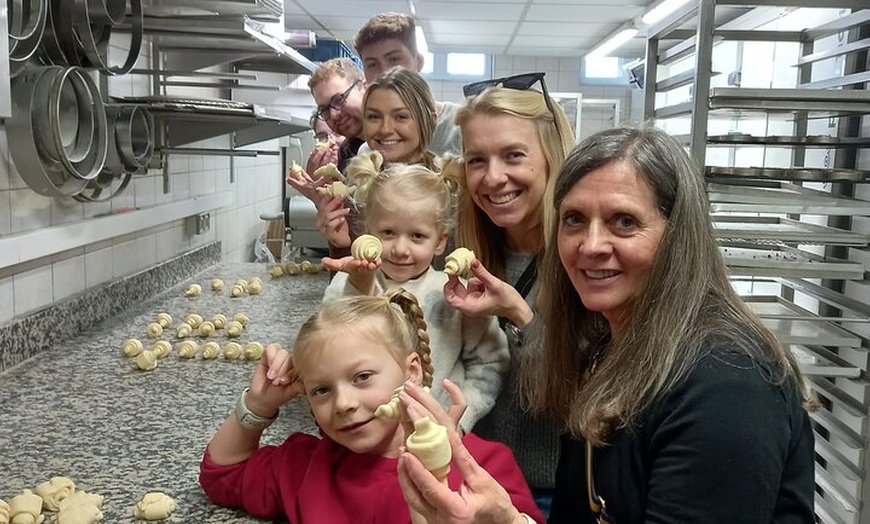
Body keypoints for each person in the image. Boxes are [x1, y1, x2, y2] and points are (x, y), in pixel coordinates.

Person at [397, 125, 817, 523]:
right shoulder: (608, 351)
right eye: (575, 219)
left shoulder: (727, 386)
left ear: (677, 236)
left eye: (625, 221)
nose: (591, 246)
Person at [199, 289, 543, 523]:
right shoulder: (303, 467)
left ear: (411, 372)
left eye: (362, 377)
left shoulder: (481, 468)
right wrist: (258, 405)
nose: (344, 404)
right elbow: (222, 474)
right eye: (321, 389)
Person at [440, 75, 575, 516]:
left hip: (550, 494)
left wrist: (520, 315)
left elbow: (588, 398)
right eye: (477, 160)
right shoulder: (463, 251)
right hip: (471, 478)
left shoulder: (585, 262)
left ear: (552, 158)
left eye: (513, 155)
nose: (493, 178)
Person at [322, 158, 509, 432]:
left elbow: (490, 362)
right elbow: (325, 349)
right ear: (367, 231)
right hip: (359, 436)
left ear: (440, 241)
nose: (400, 248)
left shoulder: (455, 295)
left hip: (436, 437)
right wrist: (359, 289)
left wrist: (459, 420)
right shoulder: (346, 282)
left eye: (417, 236)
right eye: (387, 233)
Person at [318, 67, 440, 258]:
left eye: (401, 116)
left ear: (430, 121)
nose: (384, 129)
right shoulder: (355, 190)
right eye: (374, 117)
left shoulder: (447, 188)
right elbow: (347, 281)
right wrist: (341, 244)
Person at [354, 12, 462, 157]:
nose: (385, 72)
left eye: (394, 59)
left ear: (419, 62)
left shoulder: (461, 126)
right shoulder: (370, 153)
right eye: (372, 64)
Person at [306, 57, 367, 172]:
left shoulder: (397, 137)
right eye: (324, 110)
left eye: (339, 100)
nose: (333, 114)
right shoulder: (347, 153)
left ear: (364, 87)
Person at [287, 111, 347, 203]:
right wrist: (316, 191)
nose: (331, 141)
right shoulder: (328, 179)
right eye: (322, 136)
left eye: (338, 132)